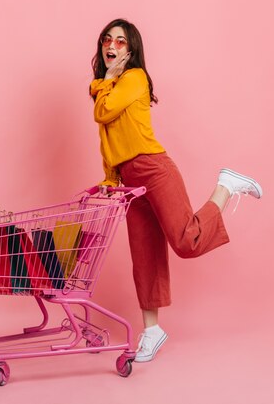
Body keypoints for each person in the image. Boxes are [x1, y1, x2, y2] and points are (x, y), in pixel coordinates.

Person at [89, 19, 263, 363]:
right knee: (145, 255)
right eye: (108, 40)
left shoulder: (133, 79)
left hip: (153, 169)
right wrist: (111, 180)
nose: (112, 46)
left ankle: (225, 187)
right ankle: (151, 330)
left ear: (131, 50)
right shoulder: (103, 87)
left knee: (186, 241)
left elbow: (104, 113)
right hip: (130, 180)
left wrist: (106, 82)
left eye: (121, 42)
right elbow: (109, 139)